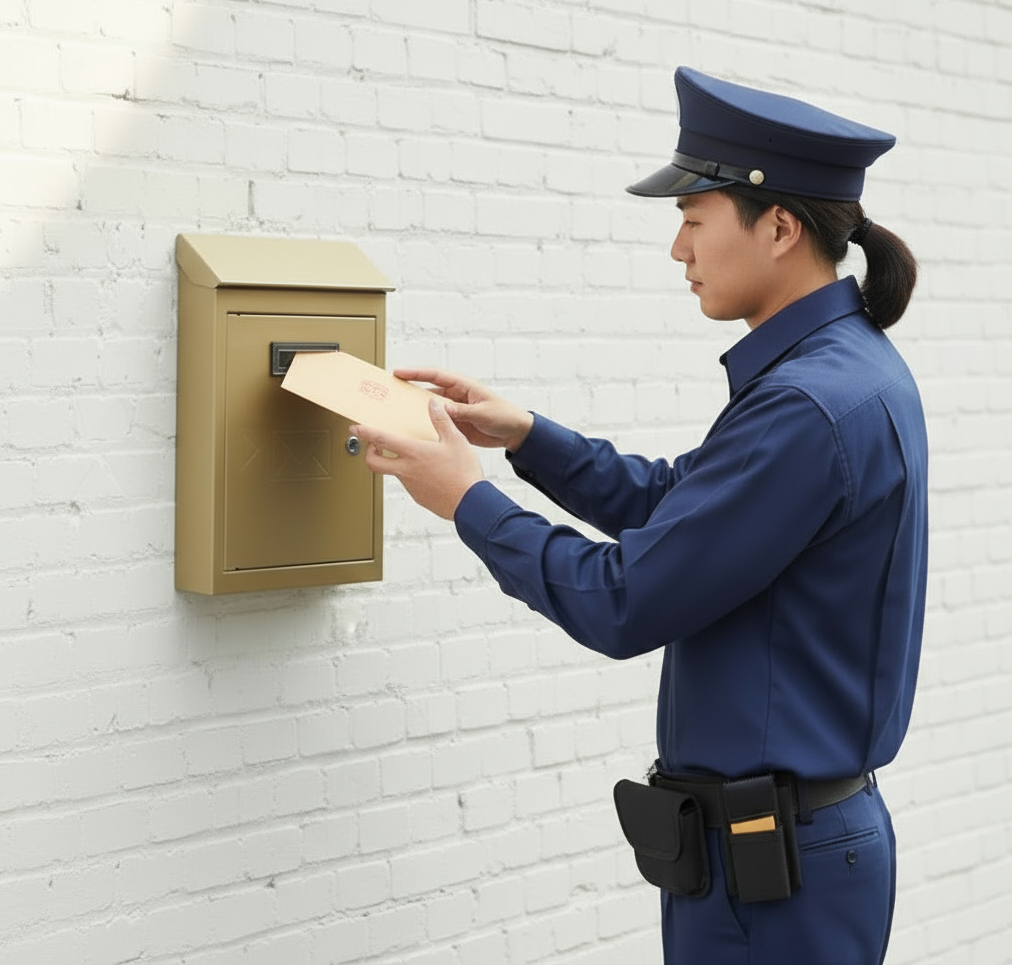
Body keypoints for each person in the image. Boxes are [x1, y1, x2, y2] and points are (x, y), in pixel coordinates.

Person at [349, 67, 928, 965]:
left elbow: (626, 602)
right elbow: (685, 507)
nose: (679, 252)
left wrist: (466, 498)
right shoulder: (839, 373)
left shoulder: (809, 406)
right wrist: (529, 437)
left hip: (775, 874)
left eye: (693, 222)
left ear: (777, 227)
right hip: (774, 857)